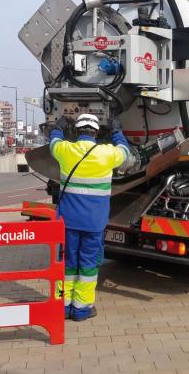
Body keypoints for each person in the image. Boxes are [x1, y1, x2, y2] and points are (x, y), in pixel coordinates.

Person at [49, 114, 130, 321]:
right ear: (96, 133)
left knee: (66, 263)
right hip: (94, 223)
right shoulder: (106, 154)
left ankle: (62, 306)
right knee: (88, 266)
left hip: (67, 222)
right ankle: (81, 309)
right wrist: (117, 131)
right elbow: (125, 153)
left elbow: (54, 142)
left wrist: (58, 126)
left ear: (77, 131)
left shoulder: (66, 151)